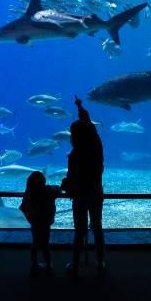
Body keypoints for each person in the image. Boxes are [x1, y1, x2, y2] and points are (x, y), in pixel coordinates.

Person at [61, 95, 106, 277]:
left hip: (80, 195)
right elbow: (88, 123)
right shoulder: (97, 146)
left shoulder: (75, 156)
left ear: (75, 137)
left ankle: (75, 265)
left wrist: (65, 185)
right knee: (97, 226)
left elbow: (71, 179)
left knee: (80, 230)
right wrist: (80, 107)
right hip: (96, 191)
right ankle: (101, 262)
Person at [19, 170, 60, 277]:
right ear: (44, 181)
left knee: (35, 243)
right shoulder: (48, 190)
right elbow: (57, 189)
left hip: (34, 221)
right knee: (45, 244)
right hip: (46, 221)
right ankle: (49, 266)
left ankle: (33, 266)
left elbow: (22, 207)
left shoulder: (29, 193)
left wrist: (29, 214)